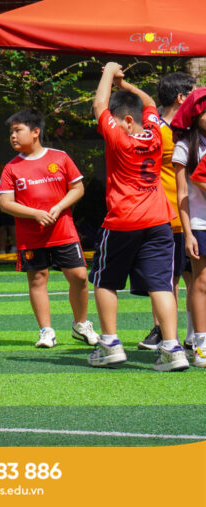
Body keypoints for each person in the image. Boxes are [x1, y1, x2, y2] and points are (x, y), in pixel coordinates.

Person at [86, 62, 187, 371]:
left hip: (123, 221)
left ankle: (110, 344)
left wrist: (108, 72)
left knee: (105, 281)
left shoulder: (119, 139)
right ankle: (172, 348)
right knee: (162, 285)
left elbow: (99, 106)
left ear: (128, 121)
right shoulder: (156, 133)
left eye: (117, 121)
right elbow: (151, 103)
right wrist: (125, 85)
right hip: (159, 221)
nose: (111, 125)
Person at [0, 109, 99, 348]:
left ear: (35, 132)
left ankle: (81, 325)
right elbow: (5, 203)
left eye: (18, 130)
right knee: (37, 279)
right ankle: (46, 331)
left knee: (80, 277)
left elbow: (78, 188)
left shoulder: (60, 158)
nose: (13, 136)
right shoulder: (11, 168)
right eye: (11, 132)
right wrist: (35, 214)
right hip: (31, 237)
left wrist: (59, 206)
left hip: (64, 232)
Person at [138, 72, 196, 352]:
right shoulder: (156, 130)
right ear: (182, 98)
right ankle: (162, 330)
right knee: (166, 278)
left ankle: (194, 333)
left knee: (195, 278)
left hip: (193, 216)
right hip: (165, 217)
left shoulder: (194, 129)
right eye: (194, 93)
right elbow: (148, 102)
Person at [171, 86, 206, 367]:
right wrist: (187, 233)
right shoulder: (184, 147)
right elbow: (181, 194)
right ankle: (200, 343)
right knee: (200, 281)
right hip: (200, 223)